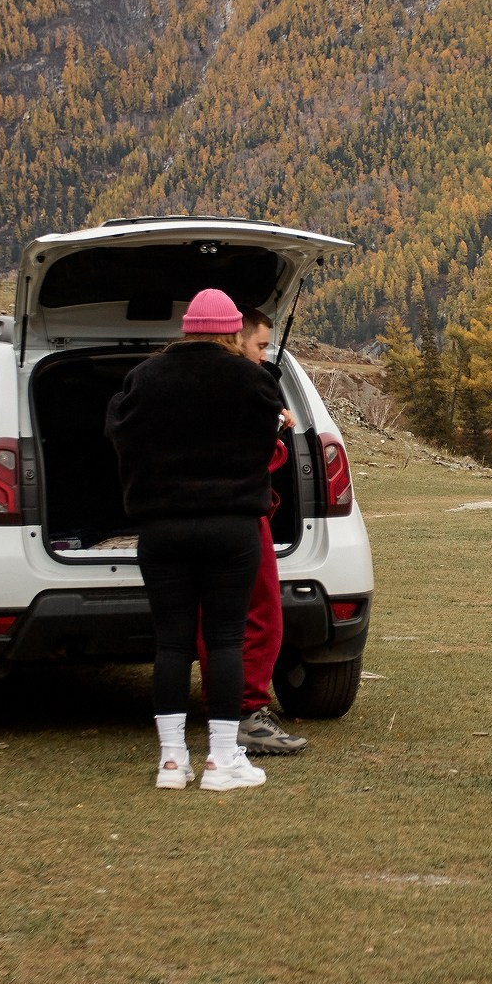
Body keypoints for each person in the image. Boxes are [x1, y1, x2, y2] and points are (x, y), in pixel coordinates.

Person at [105, 287, 284, 791]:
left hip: (162, 527)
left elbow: (118, 431)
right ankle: (222, 760)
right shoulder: (253, 379)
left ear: (186, 329)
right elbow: (266, 445)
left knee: (171, 642)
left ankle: (171, 761)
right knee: (225, 640)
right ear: (232, 332)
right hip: (231, 527)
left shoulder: (145, 377)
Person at [198, 307, 309, 758]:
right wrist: (277, 438)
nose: (264, 355)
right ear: (235, 339)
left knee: (210, 616)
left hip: (184, 517)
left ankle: (223, 706)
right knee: (261, 613)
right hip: (242, 514)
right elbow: (253, 459)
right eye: (260, 345)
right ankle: (246, 711)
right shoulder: (246, 388)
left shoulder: (184, 386)